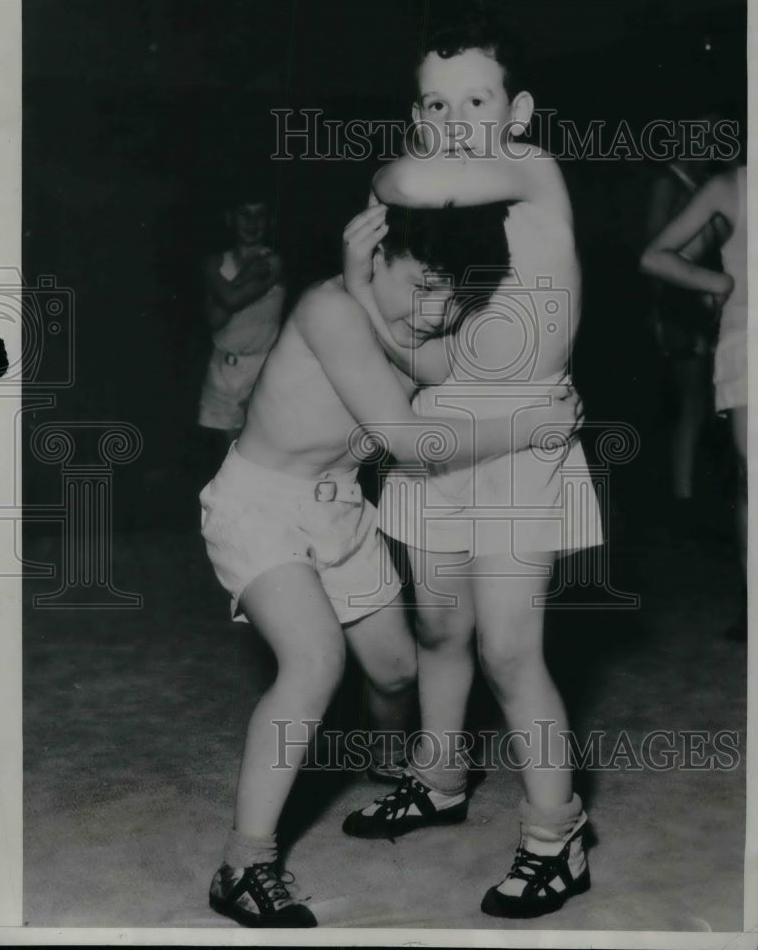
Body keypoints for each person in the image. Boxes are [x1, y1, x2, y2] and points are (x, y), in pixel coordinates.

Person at [199, 196, 580, 928]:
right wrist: (531, 425)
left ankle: (391, 770)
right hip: (260, 505)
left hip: (339, 506)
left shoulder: (404, 319)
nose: (438, 310)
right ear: (375, 254)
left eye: (456, 294)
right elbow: (409, 440)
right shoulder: (328, 305)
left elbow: (446, 367)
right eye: (423, 285)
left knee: (397, 670)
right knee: (312, 663)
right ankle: (243, 864)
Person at [341, 6, 603, 920]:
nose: (452, 120)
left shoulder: (528, 170)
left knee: (508, 648)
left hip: (524, 441)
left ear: (517, 111)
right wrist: (364, 285)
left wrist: (392, 174)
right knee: (439, 632)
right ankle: (439, 777)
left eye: (475, 100)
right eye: (434, 102)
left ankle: (554, 833)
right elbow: (431, 363)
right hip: (443, 436)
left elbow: (405, 175)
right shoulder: (450, 225)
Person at [641, 163, 747, 639]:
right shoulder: (731, 186)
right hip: (750, 344)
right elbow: (657, 255)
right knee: (753, 477)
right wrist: (717, 283)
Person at [642, 121, 729, 530]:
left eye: (711, 136)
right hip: (677, 306)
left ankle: (694, 488)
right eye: (700, 136)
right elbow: (653, 250)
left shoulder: (710, 182)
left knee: (707, 402)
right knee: (692, 402)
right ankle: (682, 497)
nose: (708, 144)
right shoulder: (668, 180)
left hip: (707, 302)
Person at [198, 191, 286, 445]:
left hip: (261, 370)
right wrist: (244, 276)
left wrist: (215, 277)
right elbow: (214, 320)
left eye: (260, 215)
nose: (252, 222)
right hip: (222, 370)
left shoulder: (273, 263)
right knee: (227, 457)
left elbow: (232, 300)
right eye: (244, 214)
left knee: (259, 451)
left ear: (269, 222)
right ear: (230, 219)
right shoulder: (218, 261)